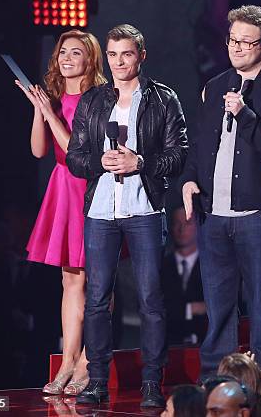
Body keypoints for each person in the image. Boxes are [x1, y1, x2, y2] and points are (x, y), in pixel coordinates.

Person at [66, 24, 188, 407]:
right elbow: (74, 156)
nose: (119, 62)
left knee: (151, 298)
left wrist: (141, 162)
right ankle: (97, 379)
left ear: (141, 55)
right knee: (98, 298)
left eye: (127, 54)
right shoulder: (93, 100)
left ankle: (153, 381)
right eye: (113, 54)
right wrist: (99, 163)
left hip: (145, 208)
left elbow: (179, 154)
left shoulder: (163, 99)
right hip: (101, 210)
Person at [181, 5, 261, 379]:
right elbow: (200, 143)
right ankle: (217, 378)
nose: (238, 48)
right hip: (214, 213)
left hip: (259, 213)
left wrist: (245, 113)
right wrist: (190, 179)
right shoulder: (214, 86)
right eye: (233, 40)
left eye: (247, 42)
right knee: (219, 305)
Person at [15, 29, 106, 395]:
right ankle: (68, 359)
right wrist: (41, 111)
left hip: (90, 189)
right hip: (62, 190)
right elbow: (40, 151)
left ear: (90, 60)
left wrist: (50, 114)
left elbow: (77, 155)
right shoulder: (54, 98)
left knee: (99, 280)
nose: (67, 58)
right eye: (62, 51)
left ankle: (89, 359)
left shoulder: (97, 99)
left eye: (76, 52)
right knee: (70, 280)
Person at [161, 206, 206, 345]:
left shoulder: (211, 266)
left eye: (187, 223)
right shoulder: (160, 267)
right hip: (170, 344)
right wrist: (191, 308)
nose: (181, 229)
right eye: (177, 223)